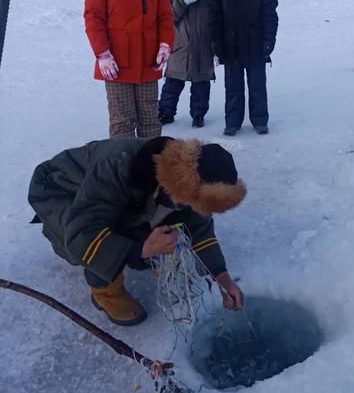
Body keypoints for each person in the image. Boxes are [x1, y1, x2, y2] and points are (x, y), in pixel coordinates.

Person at [28, 137, 246, 325]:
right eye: (194, 205)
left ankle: (128, 246)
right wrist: (141, 250)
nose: (196, 211)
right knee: (99, 240)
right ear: (183, 188)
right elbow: (82, 234)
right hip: (59, 190)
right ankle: (105, 292)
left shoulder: (188, 184)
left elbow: (200, 230)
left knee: (146, 227)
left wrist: (222, 277)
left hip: (104, 199)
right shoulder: (120, 166)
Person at [84, 0, 175, 139]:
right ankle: (122, 170)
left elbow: (165, 17)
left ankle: (151, 168)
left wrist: (165, 44)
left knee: (150, 118)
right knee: (122, 121)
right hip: (117, 65)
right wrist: (103, 54)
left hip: (148, 62)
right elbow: (93, 18)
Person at [209, 0, 278, 136]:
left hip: (256, 41)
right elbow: (214, 12)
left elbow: (270, 9)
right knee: (233, 86)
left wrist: (269, 38)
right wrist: (215, 40)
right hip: (230, 43)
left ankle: (259, 120)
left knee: (257, 85)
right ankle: (233, 122)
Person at [158, 0, 215, 129]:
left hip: (202, 52)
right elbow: (165, 21)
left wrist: (217, 50)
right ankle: (165, 113)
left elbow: (215, 25)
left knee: (201, 88)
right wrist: (183, 2)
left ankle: (198, 115)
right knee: (172, 87)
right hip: (179, 50)